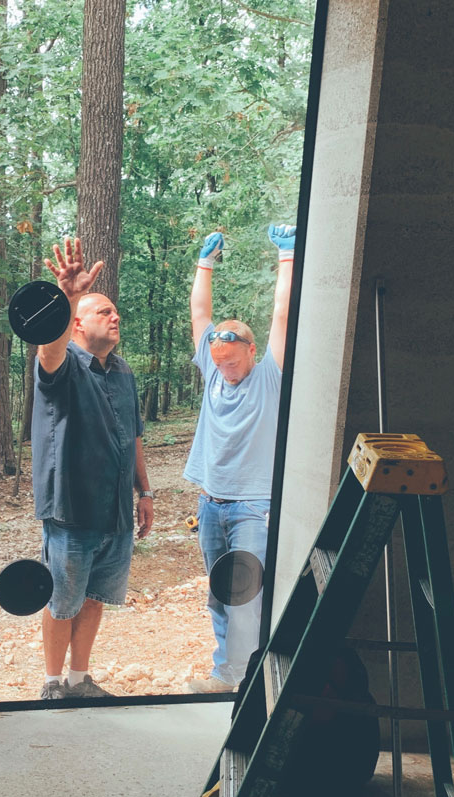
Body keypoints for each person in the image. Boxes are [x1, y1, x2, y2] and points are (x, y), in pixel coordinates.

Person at [31, 237, 154, 700]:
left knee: (96, 596)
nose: (114, 316)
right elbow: (47, 351)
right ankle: (50, 683)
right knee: (63, 599)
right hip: (72, 511)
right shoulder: (63, 365)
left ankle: (80, 680)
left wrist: (145, 493)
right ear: (77, 325)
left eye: (115, 311)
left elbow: (134, 434)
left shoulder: (122, 371)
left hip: (117, 512)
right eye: (103, 311)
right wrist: (65, 298)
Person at [182, 225, 294, 692]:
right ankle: (230, 672)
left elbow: (282, 315)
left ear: (251, 351)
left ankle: (239, 678)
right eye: (219, 360)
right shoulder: (212, 365)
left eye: (233, 361)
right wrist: (204, 263)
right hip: (212, 502)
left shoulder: (269, 374)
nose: (225, 370)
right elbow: (199, 311)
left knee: (246, 595)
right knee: (219, 593)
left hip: (253, 506)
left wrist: (287, 256)